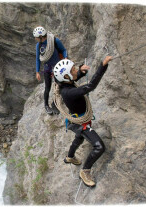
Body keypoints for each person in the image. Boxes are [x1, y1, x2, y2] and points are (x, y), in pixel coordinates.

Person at [53, 56, 112, 187]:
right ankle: (85, 171)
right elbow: (90, 86)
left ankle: (70, 157)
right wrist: (103, 66)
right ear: (67, 76)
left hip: (75, 121)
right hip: (80, 123)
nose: (76, 70)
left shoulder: (64, 84)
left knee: (79, 139)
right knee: (99, 147)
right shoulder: (69, 92)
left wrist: (81, 71)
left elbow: (73, 78)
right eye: (73, 69)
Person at [33, 26, 68, 115]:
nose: (35, 39)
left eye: (36, 37)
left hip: (57, 67)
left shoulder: (55, 41)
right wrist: (37, 71)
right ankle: (46, 105)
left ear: (40, 37)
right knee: (47, 87)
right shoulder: (39, 45)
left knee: (59, 85)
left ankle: (55, 103)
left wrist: (65, 58)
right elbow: (38, 58)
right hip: (47, 67)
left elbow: (63, 50)